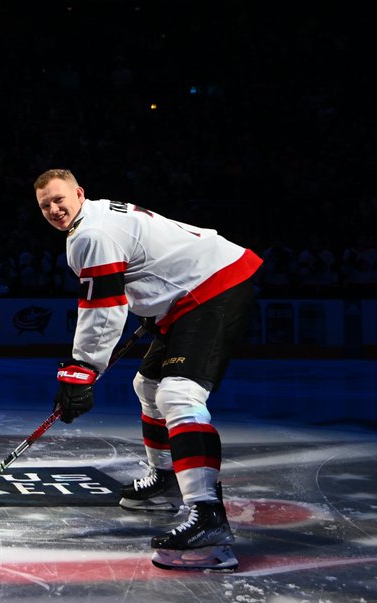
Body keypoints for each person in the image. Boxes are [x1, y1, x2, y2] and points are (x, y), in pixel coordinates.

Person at [34, 169, 262, 571]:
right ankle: (167, 479)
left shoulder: (92, 234)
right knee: (149, 384)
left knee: (179, 394)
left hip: (213, 286)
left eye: (59, 199)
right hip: (188, 293)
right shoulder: (95, 220)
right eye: (45, 205)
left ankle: (209, 520)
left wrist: (81, 370)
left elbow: (104, 308)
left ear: (79, 193)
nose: (54, 209)